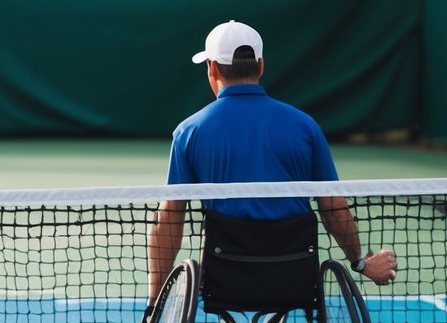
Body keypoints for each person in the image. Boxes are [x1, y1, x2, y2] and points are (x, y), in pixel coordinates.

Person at [147, 19, 397, 303]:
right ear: (261, 66)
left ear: (212, 68)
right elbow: (334, 210)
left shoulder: (189, 132)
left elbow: (169, 219)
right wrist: (361, 262)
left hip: (224, 279)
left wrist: (154, 303)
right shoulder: (305, 126)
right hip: (294, 278)